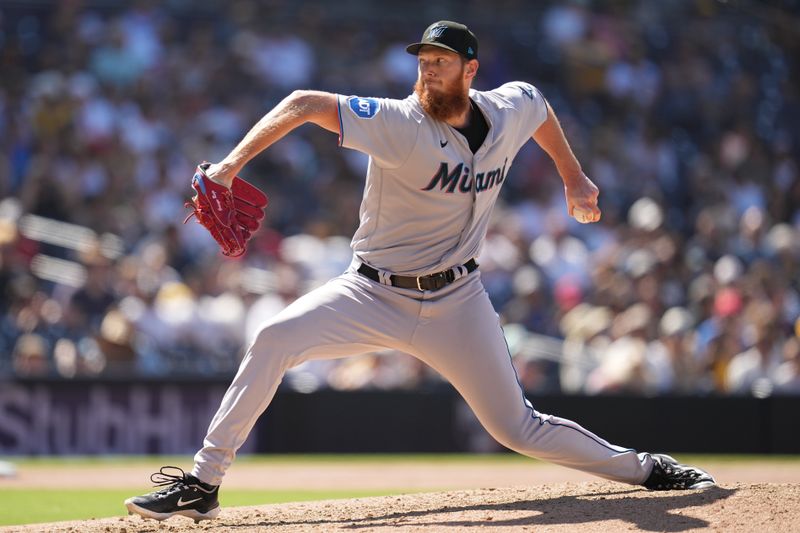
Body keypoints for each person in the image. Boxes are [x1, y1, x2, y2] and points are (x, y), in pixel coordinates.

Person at [125, 21, 715, 523]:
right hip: (370, 291)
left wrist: (572, 175)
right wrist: (228, 167)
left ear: (470, 71)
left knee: (516, 428)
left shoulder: (507, 112)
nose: (428, 71)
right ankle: (202, 484)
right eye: (423, 62)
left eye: (441, 62)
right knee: (273, 339)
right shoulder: (399, 124)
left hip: (458, 299)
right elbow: (304, 103)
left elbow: (538, 105)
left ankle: (648, 469)